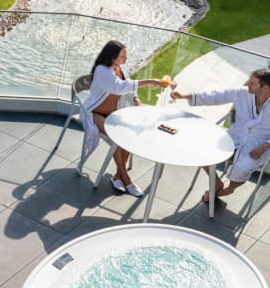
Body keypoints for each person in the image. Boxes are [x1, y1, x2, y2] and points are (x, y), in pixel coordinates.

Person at [80, 40, 166, 197]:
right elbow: (118, 87)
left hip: (113, 114)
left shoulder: (120, 68)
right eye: (123, 56)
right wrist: (149, 82)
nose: (126, 59)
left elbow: (128, 87)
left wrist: (136, 99)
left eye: (126, 55)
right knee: (117, 138)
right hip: (95, 113)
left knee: (129, 136)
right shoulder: (101, 70)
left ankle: (118, 176)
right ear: (112, 57)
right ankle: (126, 178)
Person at [171, 68, 270, 202]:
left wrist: (265, 145)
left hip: (258, 145)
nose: (247, 85)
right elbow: (216, 95)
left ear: (265, 88)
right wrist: (185, 96)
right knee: (200, 149)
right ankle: (216, 182)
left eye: (252, 83)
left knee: (243, 168)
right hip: (233, 137)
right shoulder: (242, 93)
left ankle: (229, 189)